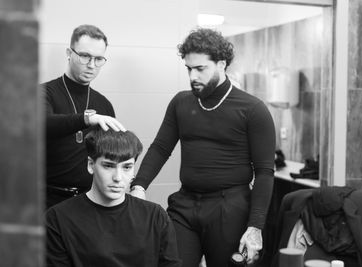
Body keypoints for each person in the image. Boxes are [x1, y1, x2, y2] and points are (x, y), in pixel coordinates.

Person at [131, 28, 276, 267]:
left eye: (200, 69)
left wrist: (255, 227)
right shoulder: (181, 102)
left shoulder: (252, 109)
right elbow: (160, 148)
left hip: (230, 208)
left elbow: (264, 172)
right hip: (185, 204)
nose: (192, 76)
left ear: (221, 64)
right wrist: (139, 185)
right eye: (189, 68)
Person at [46, 127, 181, 267]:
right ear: (91, 165)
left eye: (127, 167)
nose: (118, 177)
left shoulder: (155, 216)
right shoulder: (58, 219)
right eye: (108, 166)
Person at [42, 24, 126, 208]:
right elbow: (43, 124)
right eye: (85, 56)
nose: (91, 65)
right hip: (47, 199)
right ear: (69, 53)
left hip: (89, 202)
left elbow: (109, 155)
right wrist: (86, 119)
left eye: (98, 59)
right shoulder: (44, 93)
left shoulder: (103, 104)